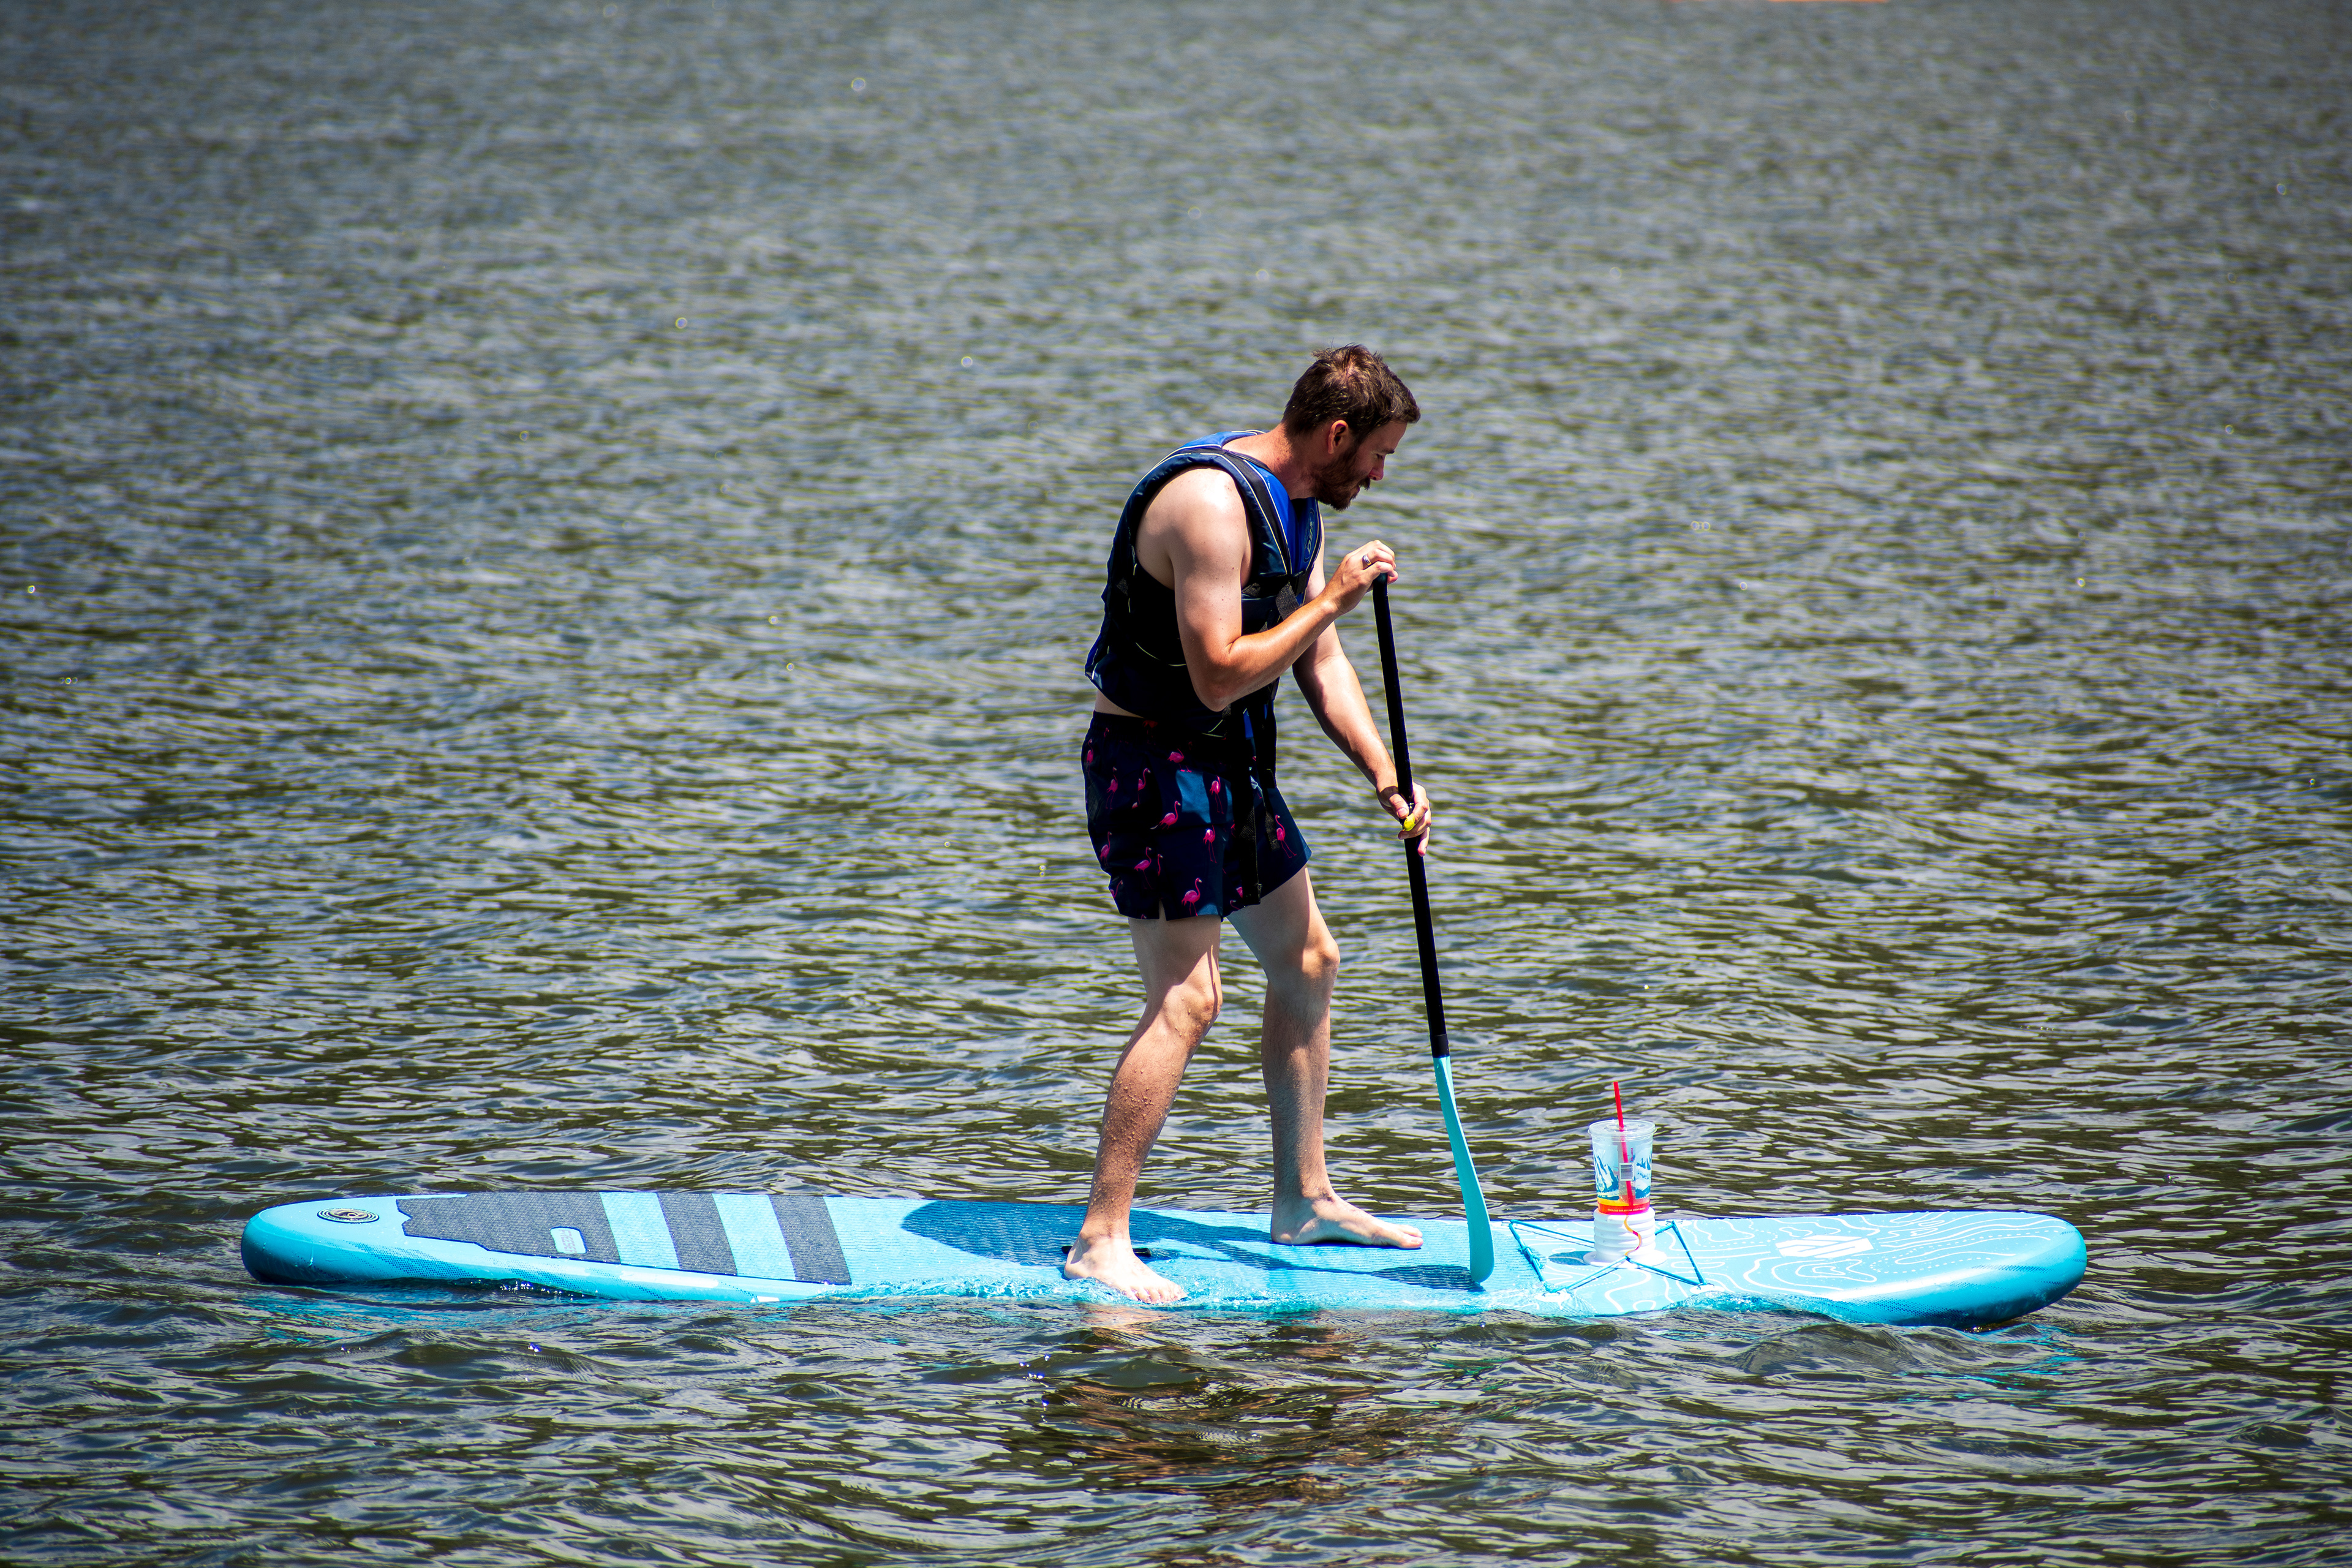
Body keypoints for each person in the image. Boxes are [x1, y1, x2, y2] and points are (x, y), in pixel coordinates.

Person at [1067, 345, 1435, 1304]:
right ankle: (1101, 1237)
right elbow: (1221, 672)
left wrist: (1385, 772)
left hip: (1229, 767)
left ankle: (1303, 1199)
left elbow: (1319, 662)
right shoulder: (1209, 507)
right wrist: (1335, 597)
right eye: (1379, 456)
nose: (1381, 476)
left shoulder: (1298, 508)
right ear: (1337, 434)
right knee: (1190, 1001)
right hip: (1152, 765)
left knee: (1310, 961)